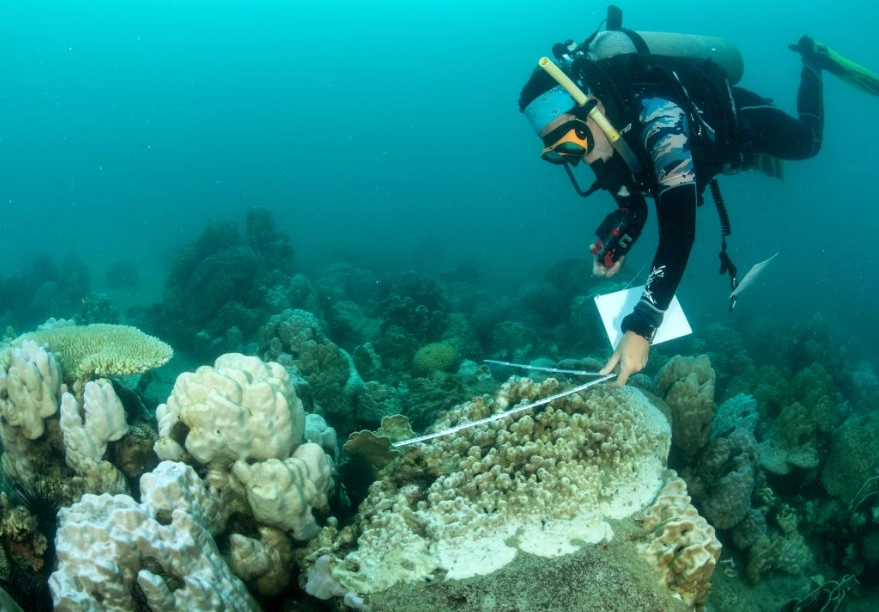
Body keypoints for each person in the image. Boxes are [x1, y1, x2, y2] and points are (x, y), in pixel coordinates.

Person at [518, 27, 879, 388]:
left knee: (807, 145)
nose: (576, 158)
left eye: (570, 141)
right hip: (711, 158)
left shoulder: (661, 123)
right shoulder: (599, 142)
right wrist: (616, 242)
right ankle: (754, 156)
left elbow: (679, 231)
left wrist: (642, 327)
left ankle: (813, 62)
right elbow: (633, 207)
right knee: (749, 159)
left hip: (736, 124)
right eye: (558, 152)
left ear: (594, 108)